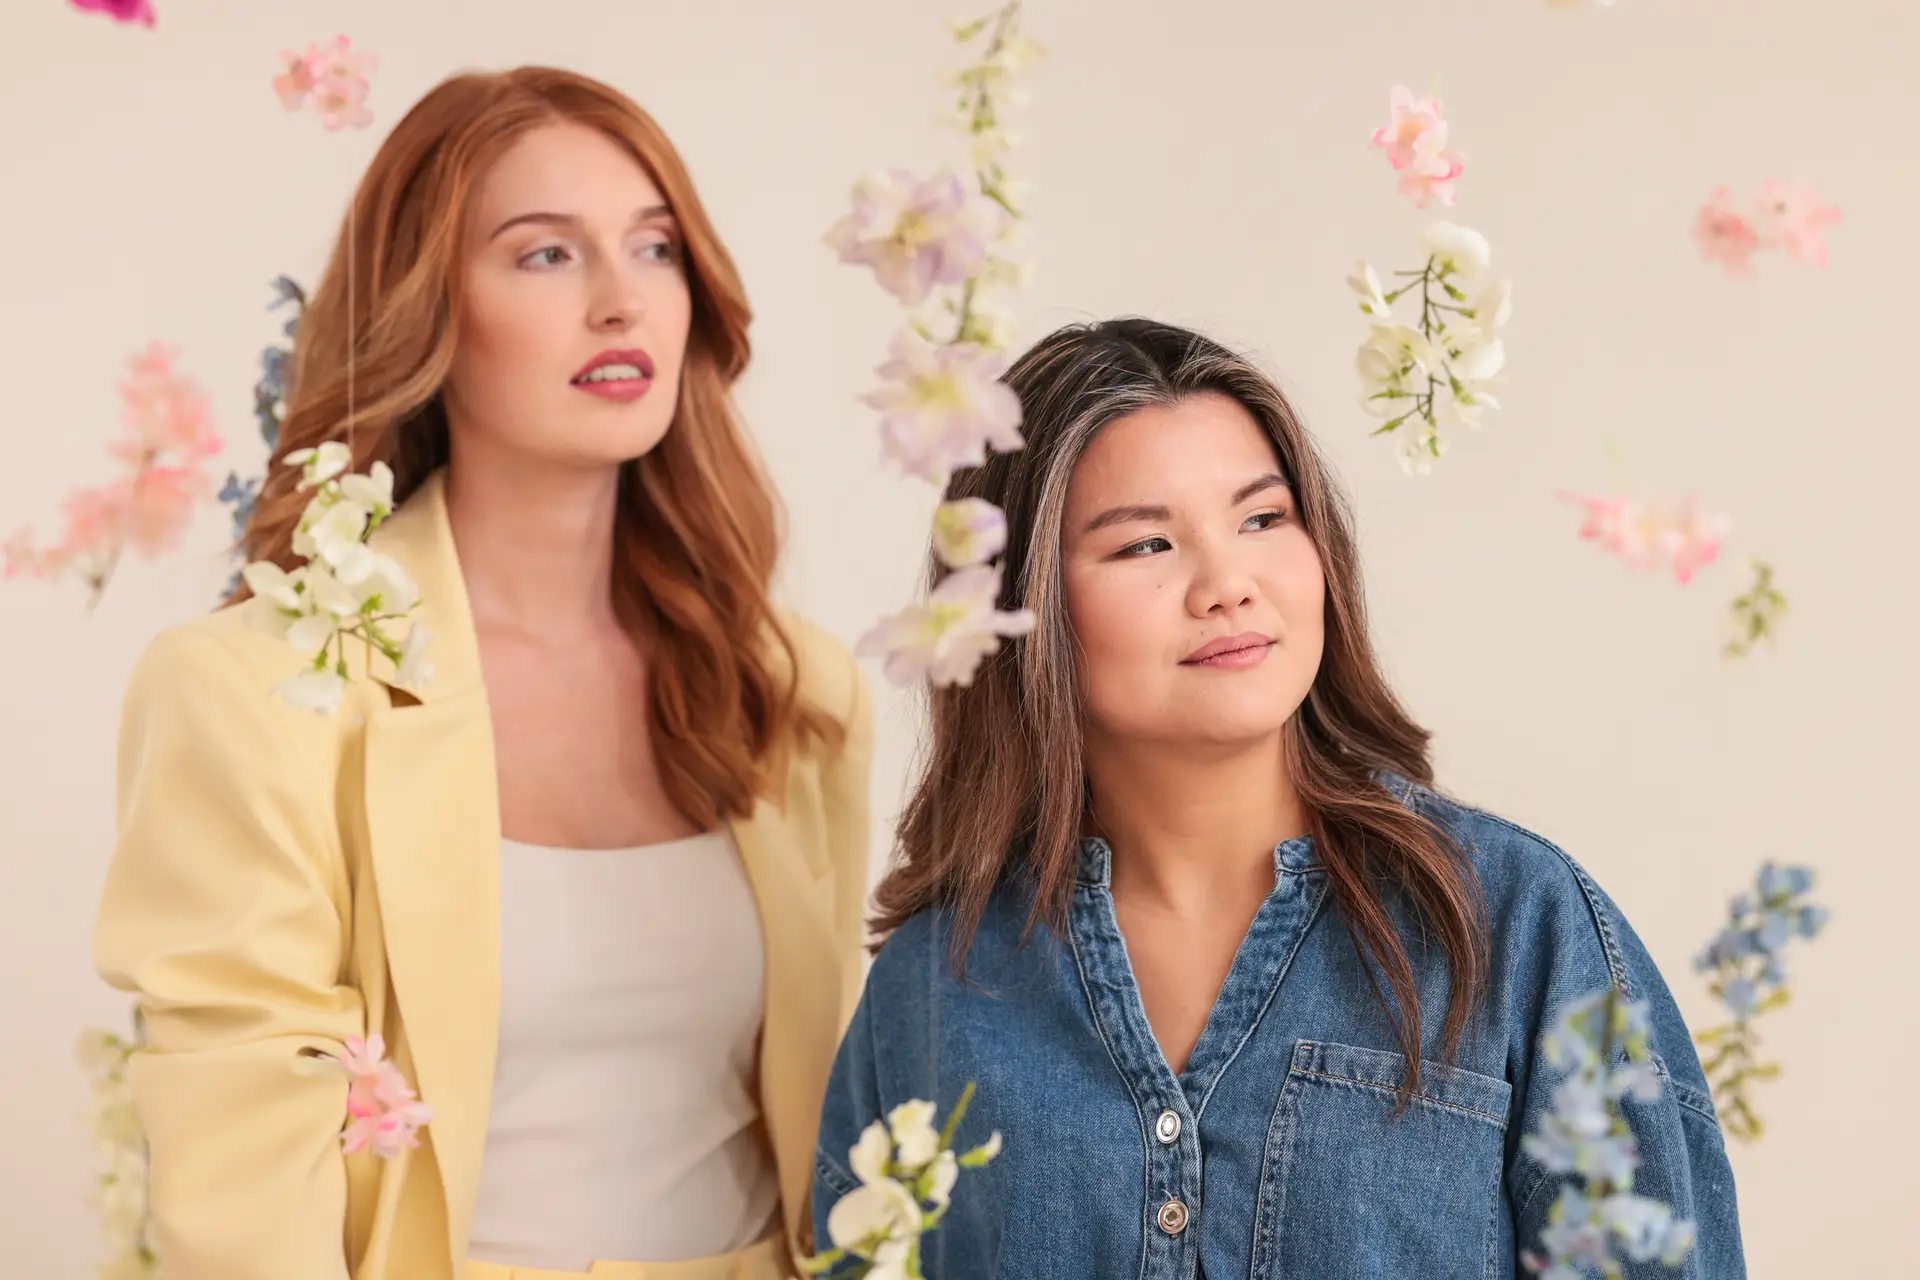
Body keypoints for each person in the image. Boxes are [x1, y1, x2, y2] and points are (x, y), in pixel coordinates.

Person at [94, 67, 873, 1280]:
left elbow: (838, 1116)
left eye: (655, 247)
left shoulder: (790, 687)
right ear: (427, 312)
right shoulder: (258, 693)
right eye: (546, 254)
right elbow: (245, 1204)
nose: (621, 300)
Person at [812, 318, 1743, 1278]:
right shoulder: (935, 987)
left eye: (1263, 519)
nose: (1228, 584)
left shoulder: (1511, 925)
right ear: (1021, 606)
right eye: (1145, 544)